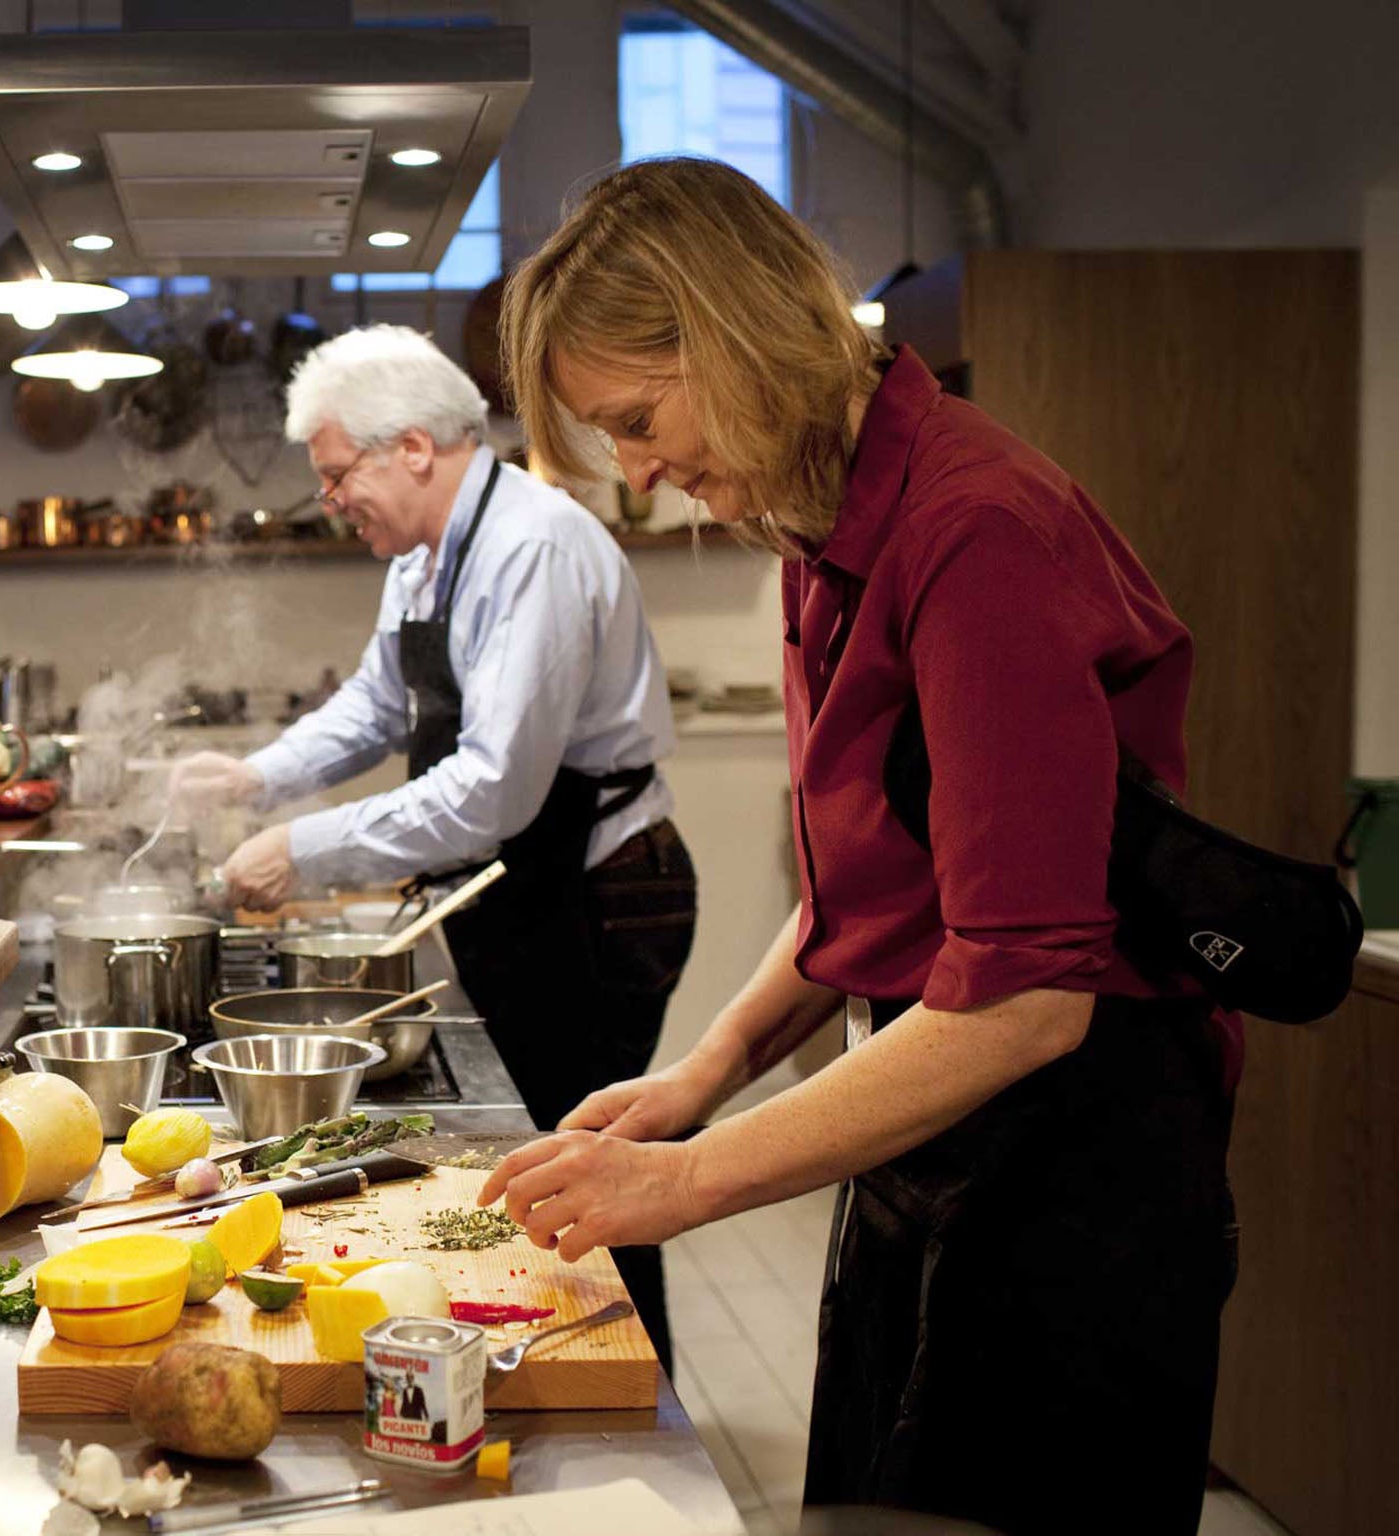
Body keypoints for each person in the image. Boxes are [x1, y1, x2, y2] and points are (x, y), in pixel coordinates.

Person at [477, 157, 1239, 1536]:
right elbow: (879, 883)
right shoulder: (820, 529)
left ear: (731, 332)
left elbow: (1023, 1000)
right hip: (935, 1117)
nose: (641, 476)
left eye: (637, 422)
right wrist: (700, 1076)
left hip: (1077, 1165)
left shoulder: (974, 532)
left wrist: (690, 1181)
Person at [170, 324, 697, 1369]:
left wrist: (301, 849)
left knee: (588, 1176)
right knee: (551, 1167)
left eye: (334, 474)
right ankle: (550, 1372)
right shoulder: (427, 554)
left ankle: (629, 1407)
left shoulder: (532, 548)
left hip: (598, 899)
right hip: (528, 884)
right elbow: (374, 704)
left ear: (410, 447)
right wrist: (255, 778)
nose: (328, 499)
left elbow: (491, 789)